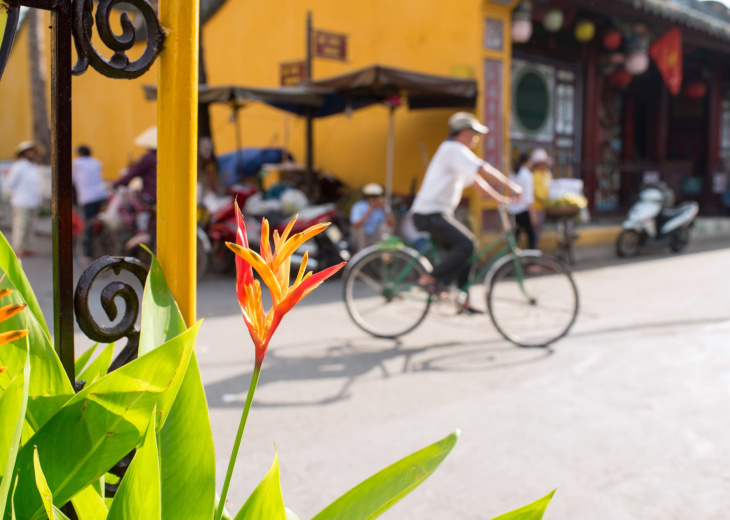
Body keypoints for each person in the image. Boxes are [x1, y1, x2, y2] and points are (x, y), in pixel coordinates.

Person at [411, 112, 522, 314]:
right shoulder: (453, 149)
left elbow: (475, 181)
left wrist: (498, 199)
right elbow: (483, 169)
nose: (476, 139)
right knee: (467, 244)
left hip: (438, 213)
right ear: (462, 132)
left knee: (467, 252)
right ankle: (430, 278)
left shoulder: (457, 155)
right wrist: (511, 186)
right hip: (429, 214)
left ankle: (463, 301)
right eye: (474, 133)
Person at [72, 145, 109, 262]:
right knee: (98, 221)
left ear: (81, 153)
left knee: (89, 224)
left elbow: (72, 179)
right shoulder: (97, 162)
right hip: (101, 194)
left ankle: (89, 254)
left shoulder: (77, 163)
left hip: (87, 197)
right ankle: (101, 245)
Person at [5, 141, 42, 257]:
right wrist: (13, 196)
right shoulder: (18, 166)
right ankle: (18, 247)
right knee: (21, 225)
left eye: (33, 152)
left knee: (31, 226)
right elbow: (9, 184)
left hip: (33, 201)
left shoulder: (34, 167)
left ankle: (27, 246)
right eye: (30, 151)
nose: (32, 154)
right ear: (23, 153)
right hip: (21, 201)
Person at [112, 126, 157, 203]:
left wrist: (116, 184)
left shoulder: (149, 158)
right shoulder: (165, 157)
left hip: (151, 194)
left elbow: (133, 172)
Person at [349, 183, 396, 252]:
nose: (375, 199)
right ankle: (361, 253)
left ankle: (383, 251)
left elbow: (392, 225)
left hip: (376, 237)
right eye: (372, 196)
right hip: (361, 239)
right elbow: (355, 225)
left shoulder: (383, 207)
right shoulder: (358, 206)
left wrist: (384, 210)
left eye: (377, 196)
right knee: (360, 229)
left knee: (385, 227)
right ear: (366, 197)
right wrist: (369, 212)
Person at [508, 153, 537, 249]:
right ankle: (531, 259)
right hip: (523, 209)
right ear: (527, 162)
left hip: (512, 209)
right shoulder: (527, 175)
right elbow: (528, 198)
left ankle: (515, 259)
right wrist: (533, 215)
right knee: (532, 236)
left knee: (515, 238)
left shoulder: (512, 173)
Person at [530, 148, 553, 245]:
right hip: (536, 208)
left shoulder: (547, 173)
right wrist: (548, 198)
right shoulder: (534, 175)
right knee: (535, 232)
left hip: (544, 207)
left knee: (539, 231)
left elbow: (551, 186)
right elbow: (538, 193)